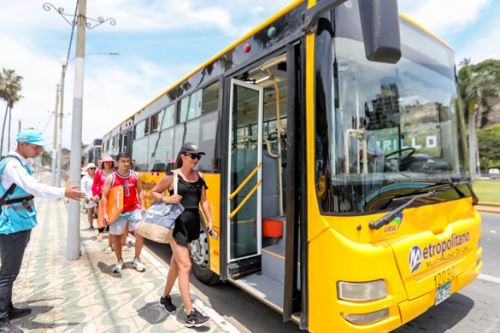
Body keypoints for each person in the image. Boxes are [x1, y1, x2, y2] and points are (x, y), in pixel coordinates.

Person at [0, 130, 84, 333]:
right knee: (7, 273)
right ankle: (1, 320)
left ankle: (8, 308)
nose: (39, 150)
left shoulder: (21, 163)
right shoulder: (12, 165)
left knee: (11, 271)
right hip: (11, 225)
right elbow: (34, 187)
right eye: (36, 146)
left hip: (20, 223)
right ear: (22, 143)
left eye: (40, 147)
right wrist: (63, 192)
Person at [150, 143, 213, 327]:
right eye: (192, 156)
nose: (195, 160)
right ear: (183, 156)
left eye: (198, 157)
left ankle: (165, 297)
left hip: (192, 225)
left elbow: (204, 201)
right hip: (176, 226)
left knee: (177, 265)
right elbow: (154, 192)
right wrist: (166, 198)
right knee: (186, 266)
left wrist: (209, 221)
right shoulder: (172, 176)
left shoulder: (199, 177)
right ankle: (190, 313)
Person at [101, 152, 146, 274]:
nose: (126, 163)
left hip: (133, 209)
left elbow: (140, 192)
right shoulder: (111, 178)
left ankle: (136, 259)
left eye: (128, 161)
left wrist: (143, 206)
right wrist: (105, 213)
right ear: (117, 163)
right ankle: (119, 261)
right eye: (123, 161)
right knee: (117, 237)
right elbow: (104, 196)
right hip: (118, 212)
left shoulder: (135, 175)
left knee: (140, 233)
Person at [92, 155, 114, 247]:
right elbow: (95, 184)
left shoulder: (115, 172)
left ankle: (111, 232)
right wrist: (95, 194)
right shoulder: (99, 172)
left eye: (110, 162)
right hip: (102, 196)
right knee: (101, 214)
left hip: (112, 196)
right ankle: (100, 232)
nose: (108, 163)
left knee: (112, 214)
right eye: (106, 162)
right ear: (103, 163)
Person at [80, 163, 97, 230]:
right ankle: (91, 225)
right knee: (90, 211)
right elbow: (83, 188)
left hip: (97, 196)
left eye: (94, 168)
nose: (93, 170)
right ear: (88, 170)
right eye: (91, 168)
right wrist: (85, 197)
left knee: (99, 211)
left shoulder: (97, 176)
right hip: (89, 197)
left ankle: (101, 226)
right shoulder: (84, 178)